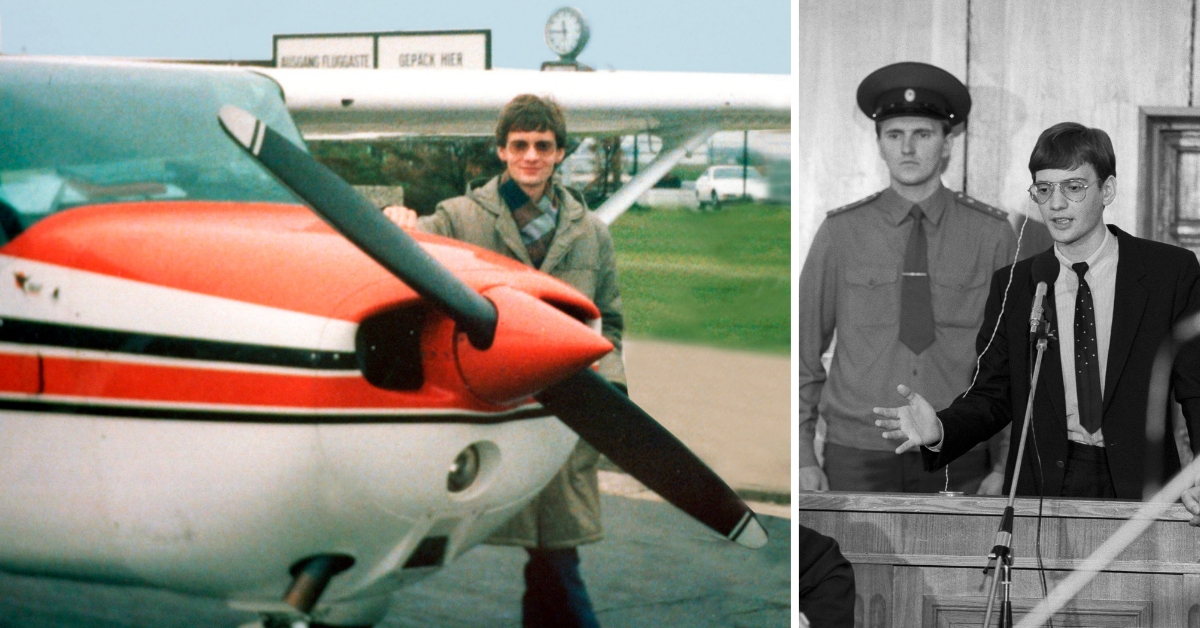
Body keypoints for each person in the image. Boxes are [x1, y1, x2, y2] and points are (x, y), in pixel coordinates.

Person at [385, 94, 623, 627]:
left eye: (543, 145)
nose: (531, 156)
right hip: (490, 407)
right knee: (540, 558)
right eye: (520, 145)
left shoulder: (592, 234)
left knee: (555, 553)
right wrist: (396, 221)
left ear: (560, 153)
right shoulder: (459, 217)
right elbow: (411, 248)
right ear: (501, 151)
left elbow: (610, 321)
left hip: (561, 412)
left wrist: (611, 391)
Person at [875, 122, 1200, 499]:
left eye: (1073, 188)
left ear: (1107, 189)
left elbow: (1197, 387)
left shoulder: (1169, 272)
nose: (1056, 204)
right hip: (1042, 486)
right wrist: (941, 431)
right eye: (1044, 190)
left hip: (1143, 484)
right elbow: (991, 395)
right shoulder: (1016, 283)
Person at [797, 61, 1017, 493]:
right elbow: (803, 351)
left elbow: (1012, 360)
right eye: (895, 135)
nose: (908, 148)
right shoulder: (841, 233)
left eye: (923, 134)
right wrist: (803, 454)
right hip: (856, 453)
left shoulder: (991, 235)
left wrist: (1003, 464)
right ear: (879, 144)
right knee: (847, 563)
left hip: (960, 451)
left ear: (947, 143)